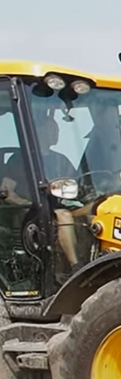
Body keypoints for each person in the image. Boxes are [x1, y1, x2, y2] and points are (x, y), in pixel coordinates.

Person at [2, 112, 82, 270]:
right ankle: (76, 267)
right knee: (64, 216)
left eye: (57, 128)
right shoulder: (19, 160)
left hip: (60, 207)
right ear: (39, 131)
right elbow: (7, 191)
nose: (57, 132)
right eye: (52, 128)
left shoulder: (61, 160)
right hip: (32, 214)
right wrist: (31, 205)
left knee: (95, 210)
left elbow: (79, 189)